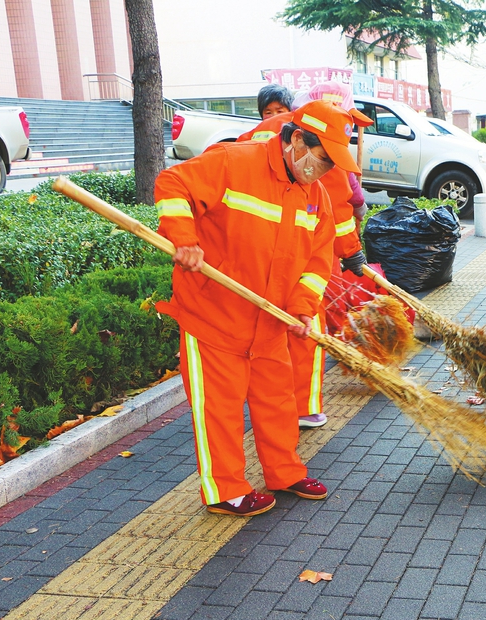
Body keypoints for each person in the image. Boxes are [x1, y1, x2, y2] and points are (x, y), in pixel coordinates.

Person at [154, 100, 359, 516]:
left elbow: (318, 260)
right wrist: (184, 237)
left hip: (269, 319)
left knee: (278, 401)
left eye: (330, 167)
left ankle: (284, 471)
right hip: (213, 314)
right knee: (220, 408)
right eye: (321, 161)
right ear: (296, 141)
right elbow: (173, 184)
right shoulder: (233, 161)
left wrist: (303, 307)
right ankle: (226, 490)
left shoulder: (313, 195)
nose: (323, 172)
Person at [237, 82, 373, 430]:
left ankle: (262, 400)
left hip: (253, 248)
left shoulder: (260, 133)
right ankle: (304, 406)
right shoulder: (322, 138)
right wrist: (352, 253)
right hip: (299, 244)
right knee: (304, 325)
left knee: (266, 328)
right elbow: (338, 209)